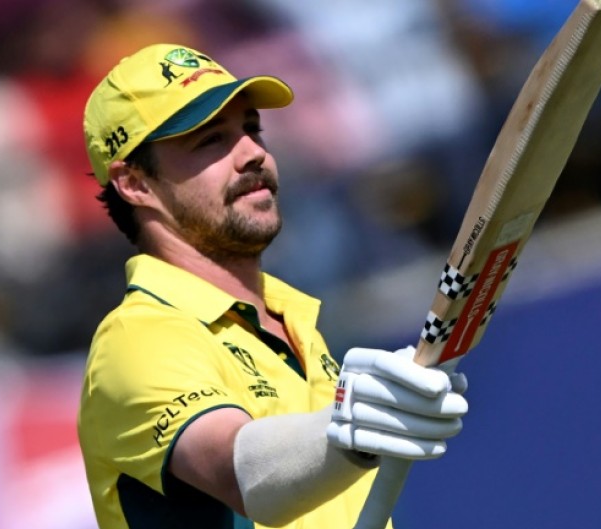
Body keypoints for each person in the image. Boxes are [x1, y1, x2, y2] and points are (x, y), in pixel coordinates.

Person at [77, 43, 469, 529]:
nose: (253, 153)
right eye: (210, 141)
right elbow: (245, 474)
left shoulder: (288, 319)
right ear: (135, 184)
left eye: (251, 129)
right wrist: (355, 427)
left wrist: (361, 420)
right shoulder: (137, 339)